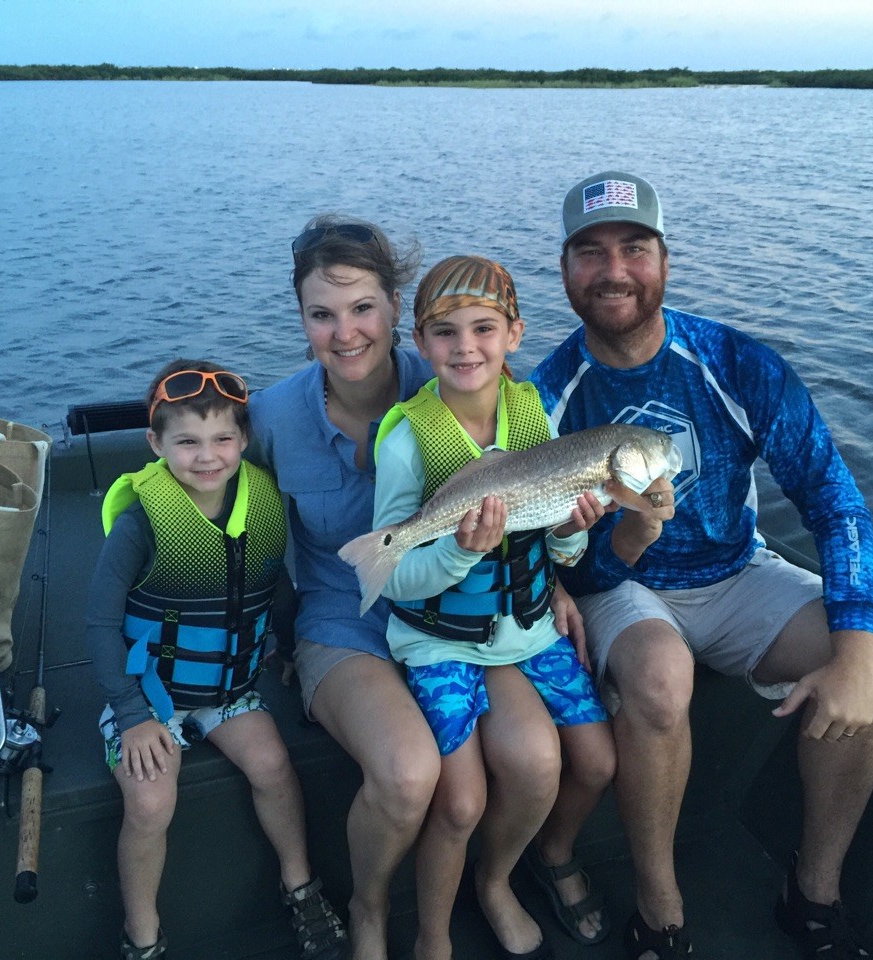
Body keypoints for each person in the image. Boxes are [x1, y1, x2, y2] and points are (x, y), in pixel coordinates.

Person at [530, 171, 873, 960]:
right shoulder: (547, 399)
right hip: (623, 589)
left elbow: (836, 502)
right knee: (660, 678)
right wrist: (613, 546)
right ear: (564, 270)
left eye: (635, 247)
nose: (614, 270)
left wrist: (856, 651)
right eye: (590, 253)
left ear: (665, 259)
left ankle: (814, 892)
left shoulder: (737, 363)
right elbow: (574, 567)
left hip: (737, 571)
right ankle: (660, 912)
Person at [369, 254, 616, 960]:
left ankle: (501, 874)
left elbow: (550, 548)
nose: (465, 347)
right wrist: (458, 551)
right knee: (462, 801)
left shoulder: (532, 410)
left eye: (484, 328)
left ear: (514, 334)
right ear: (420, 343)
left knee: (595, 761)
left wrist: (571, 532)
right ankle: (434, 933)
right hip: (440, 639)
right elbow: (398, 579)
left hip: (525, 628)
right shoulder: (405, 437)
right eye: (445, 333)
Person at [86, 359, 349, 960]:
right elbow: (100, 623)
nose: (208, 457)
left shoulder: (261, 502)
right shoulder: (140, 523)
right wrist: (131, 714)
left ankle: (300, 888)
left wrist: (286, 648)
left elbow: (272, 589)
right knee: (151, 800)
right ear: (155, 443)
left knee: (275, 768)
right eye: (186, 442)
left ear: (244, 440)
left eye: (223, 439)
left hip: (231, 692)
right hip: (148, 695)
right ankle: (142, 935)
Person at [248, 217, 438, 960]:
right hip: (339, 621)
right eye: (321, 314)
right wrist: (275, 639)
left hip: (452, 612)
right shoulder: (269, 416)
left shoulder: (455, 389)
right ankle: (368, 907)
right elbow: (252, 539)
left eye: (362, 308)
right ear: (301, 322)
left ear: (396, 307)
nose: (345, 332)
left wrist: (551, 588)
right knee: (408, 774)